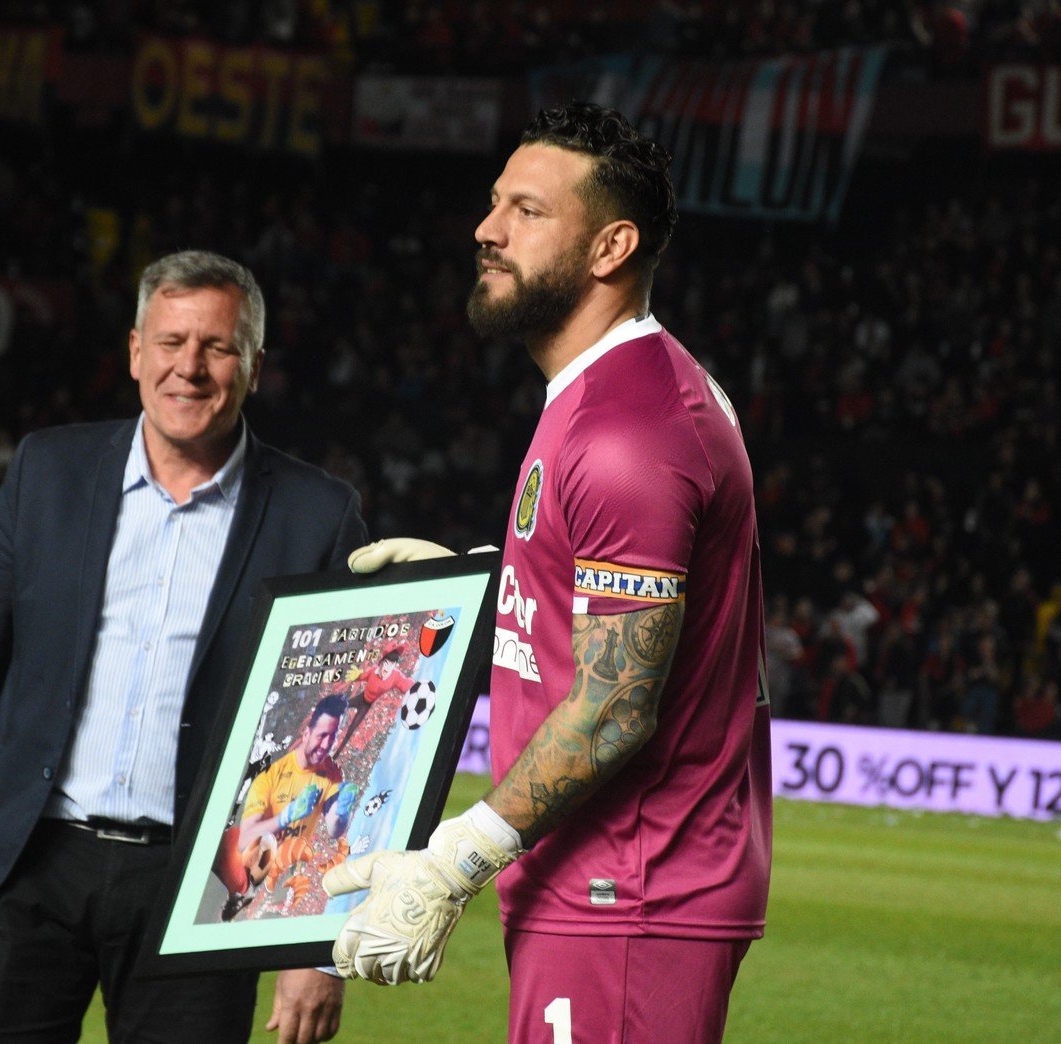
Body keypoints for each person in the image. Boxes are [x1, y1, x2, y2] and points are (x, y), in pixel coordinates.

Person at [324, 103, 771, 1043]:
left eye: (526, 211)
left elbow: (615, 704)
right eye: (494, 205)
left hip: (628, 890)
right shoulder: (609, 395)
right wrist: (494, 582)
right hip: (604, 884)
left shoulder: (627, 430)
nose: (486, 230)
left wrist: (452, 859)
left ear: (611, 246)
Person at [0, 250, 366, 1044]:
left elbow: (335, 739)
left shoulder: (318, 514)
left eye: (216, 346)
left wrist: (317, 942)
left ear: (254, 365)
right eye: (170, 343)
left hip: (197, 888)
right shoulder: (48, 471)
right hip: (26, 868)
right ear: (135, 350)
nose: (190, 368)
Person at [219, 695, 359, 920]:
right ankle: (238, 897)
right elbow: (245, 838)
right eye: (322, 736)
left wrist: (342, 812)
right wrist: (286, 817)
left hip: (278, 866)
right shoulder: (272, 775)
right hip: (244, 858)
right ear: (307, 734)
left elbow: (334, 828)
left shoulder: (331, 772)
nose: (325, 745)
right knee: (265, 844)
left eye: (332, 738)